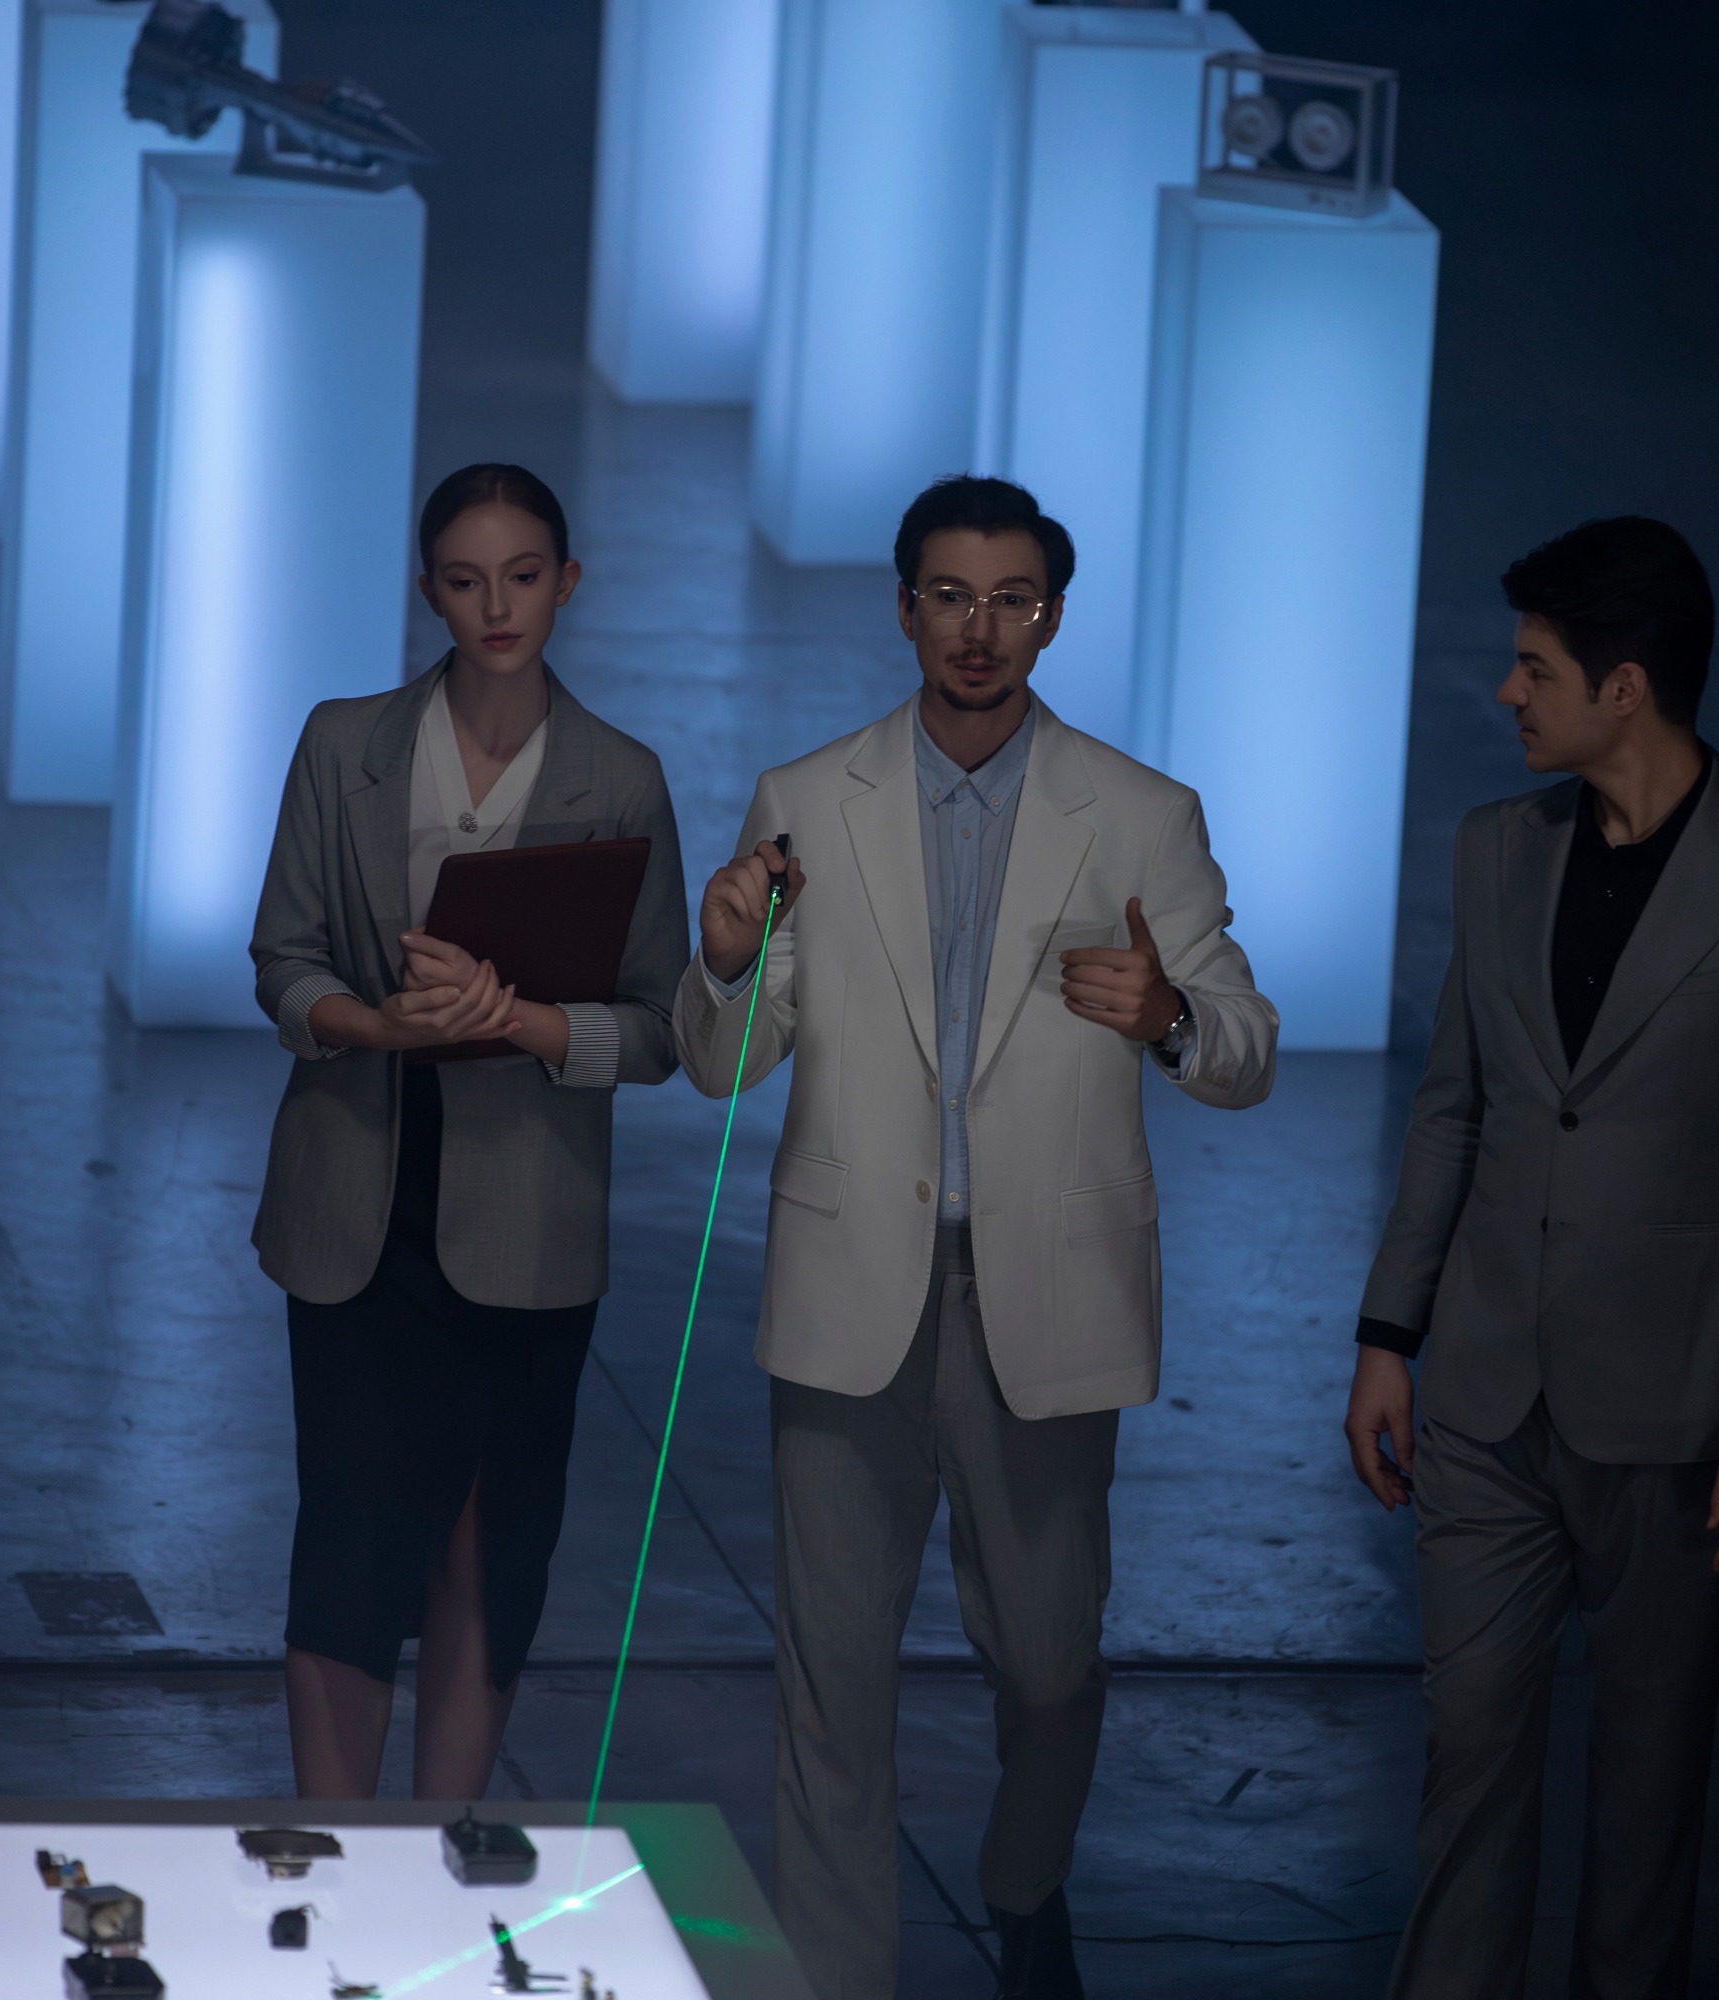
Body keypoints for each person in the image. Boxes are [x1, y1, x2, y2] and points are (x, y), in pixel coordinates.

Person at [676, 476, 1279, 1999]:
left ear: (1054, 619)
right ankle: (838, 1977)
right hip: (849, 1295)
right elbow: (726, 1058)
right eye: (951, 595)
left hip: (1047, 1299)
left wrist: (1169, 1017)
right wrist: (726, 959)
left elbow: (1248, 1049)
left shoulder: (1143, 814)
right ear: (903, 607)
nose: (981, 629)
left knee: (1053, 1667)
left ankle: (1023, 1885)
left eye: (1013, 600)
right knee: (831, 1686)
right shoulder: (808, 800)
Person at [1344, 517, 1719, 1998]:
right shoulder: (1492, 854)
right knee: (1466, 1767)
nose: (1507, 694)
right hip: (1484, 1406)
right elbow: (1454, 1107)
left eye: (1533, 668)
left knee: (1647, 1810)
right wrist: (1389, 1334)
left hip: (1682, 1421)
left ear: (1625, 687)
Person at [247, 462, 689, 1800]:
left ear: (567, 580)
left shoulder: (620, 777)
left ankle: (436, 1858)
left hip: (529, 1222)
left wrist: (531, 1024)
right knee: (351, 1537)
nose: (495, 604)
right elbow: (282, 961)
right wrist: (380, 1027)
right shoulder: (345, 745)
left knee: (491, 1549)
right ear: (426, 588)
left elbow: (664, 1024)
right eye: (464, 577)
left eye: (522, 573)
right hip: (358, 1206)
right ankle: (332, 1859)